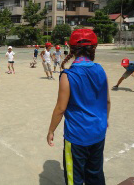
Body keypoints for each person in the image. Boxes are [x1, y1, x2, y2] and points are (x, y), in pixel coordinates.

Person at [47, 29, 110, 185]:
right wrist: (104, 120)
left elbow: (60, 108)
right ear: (94, 48)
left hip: (77, 136)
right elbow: (107, 101)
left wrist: (51, 130)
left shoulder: (68, 75)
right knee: (95, 174)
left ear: (72, 49)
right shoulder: (100, 69)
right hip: (98, 132)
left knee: (74, 179)